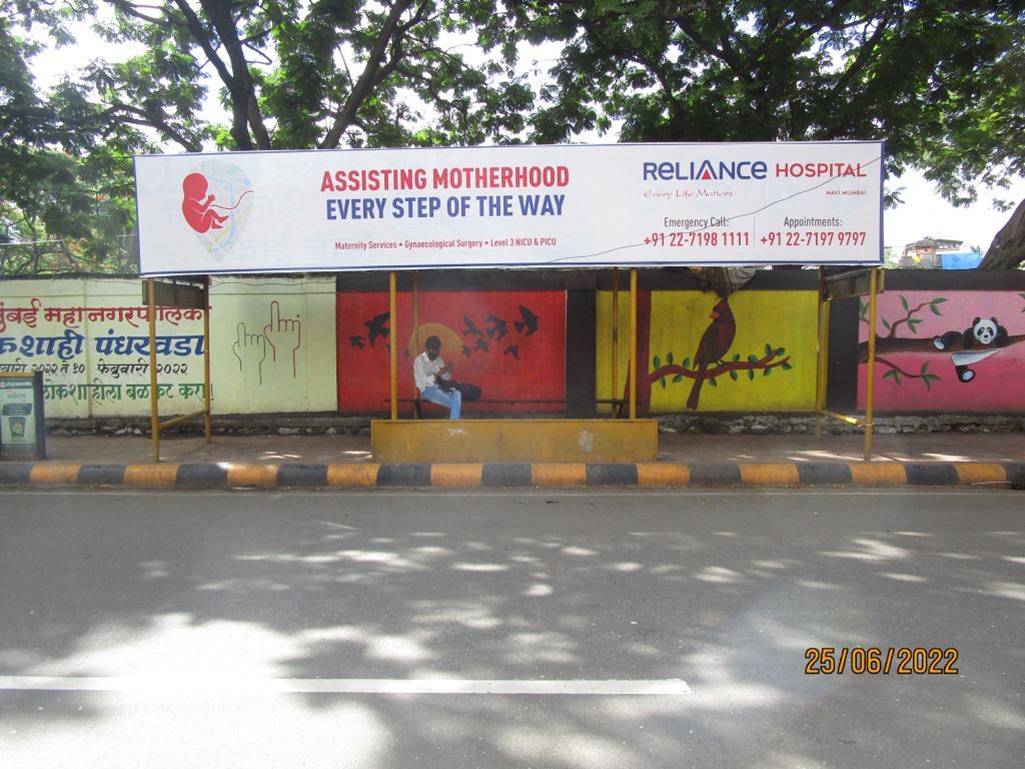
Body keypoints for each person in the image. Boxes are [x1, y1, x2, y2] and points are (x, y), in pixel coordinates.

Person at [413, 335, 461, 419]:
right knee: (455, 402)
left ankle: (454, 423)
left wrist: (447, 370)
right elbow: (420, 382)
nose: (437, 352)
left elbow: (445, 379)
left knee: (457, 393)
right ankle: (455, 424)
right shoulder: (419, 360)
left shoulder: (439, 359)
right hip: (427, 390)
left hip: (441, 387)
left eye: (438, 349)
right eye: (434, 349)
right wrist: (436, 375)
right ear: (428, 349)